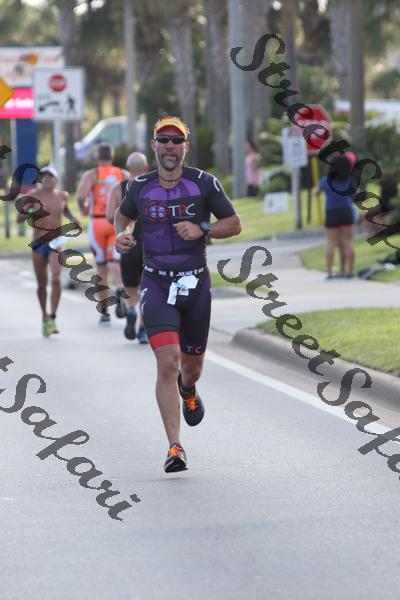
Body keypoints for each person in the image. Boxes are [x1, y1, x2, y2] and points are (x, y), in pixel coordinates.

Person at [114, 116, 241, 473]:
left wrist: (203, 228)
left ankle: (189, 390)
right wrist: (122, 235)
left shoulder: (204, 183)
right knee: (167, 361)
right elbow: (122, 217)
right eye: (163, 140)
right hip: (156, 283)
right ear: (153, 146)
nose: (169, 146)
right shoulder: (139, 186)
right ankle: (175, 446)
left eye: (176, 140)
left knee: (191, 368)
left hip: (195, 284)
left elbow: (234, 223)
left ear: (186, 146)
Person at [16, 165, 81, 336]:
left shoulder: (62, 195)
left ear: (56, 179)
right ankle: (44, 316)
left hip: (56, 241)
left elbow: (66, 211)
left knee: (56, 278)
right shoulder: (33, 195)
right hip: (38, 243)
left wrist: (74, 219)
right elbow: (18, 219)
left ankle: (52, 316)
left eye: (50, 176)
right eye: (44, 175)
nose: (47, 178)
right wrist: (30, 211)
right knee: (42, 285)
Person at [76, 143, 129, 325]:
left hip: (97, 222)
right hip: (116, 222)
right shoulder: (123, 174)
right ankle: (120, 288)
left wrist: (84, 208)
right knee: (115, 261)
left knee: (101, 267)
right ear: (112, 157)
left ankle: (105, 312)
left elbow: (81, 196)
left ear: (97, 158)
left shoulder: (92, 174)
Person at [106, 152, 149, 343]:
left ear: (128, 168)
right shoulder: (153, 186)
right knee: (147, 288)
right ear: (146, 168)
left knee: (130, 287)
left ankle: (131, 309)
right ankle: (142, 330)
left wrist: (121, 226)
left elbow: (110, 215)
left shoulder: (119, 188)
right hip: (150, 244)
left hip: (127, 242)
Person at [317, 154, 356, 279]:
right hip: (346, 211)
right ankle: (349, 272)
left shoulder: (325, 180)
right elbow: (354, 194)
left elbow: (317, 192)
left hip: (332, 212)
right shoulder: (350, 180)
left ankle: (329, 273)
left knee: (331, 243)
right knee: (348, 241)